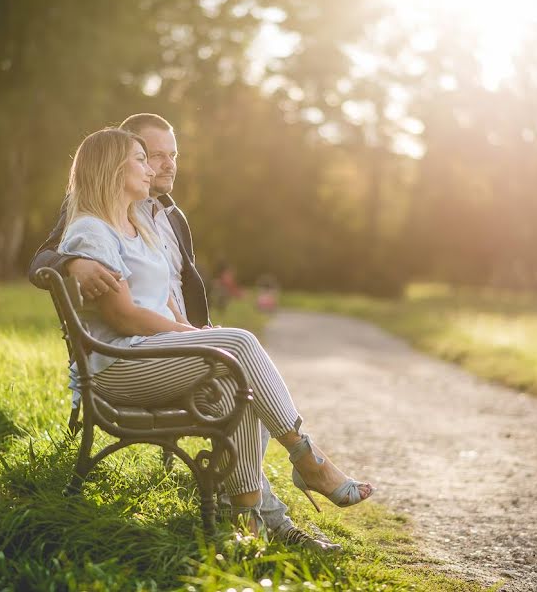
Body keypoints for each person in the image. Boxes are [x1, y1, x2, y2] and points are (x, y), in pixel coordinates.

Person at [29, 119, 371, 547]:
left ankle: (248, 525)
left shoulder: (149, 223)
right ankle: (307, 459)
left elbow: (170, 296)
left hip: (154, 352)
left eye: (169, 156)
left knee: (237, 389)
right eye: (146, 158)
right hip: (122, 363)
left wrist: (195, 334)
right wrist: (201, 340)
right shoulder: (90, 229)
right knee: (240, 343)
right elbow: (124, 318)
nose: (158, 168)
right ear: (114, 168)